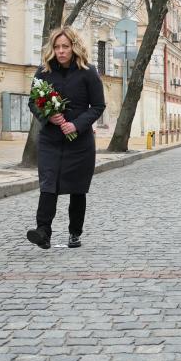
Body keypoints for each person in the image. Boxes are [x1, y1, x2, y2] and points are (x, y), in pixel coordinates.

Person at [26, 27, 105, 250]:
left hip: (79, 142)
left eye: (65, 47)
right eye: (57, 47)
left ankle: (74, 233)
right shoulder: (43, 72)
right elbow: (33, 101)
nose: (61, 51)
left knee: (77, 188)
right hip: (50, 139)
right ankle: (43, 232)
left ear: (74, 48)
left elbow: (98, 106)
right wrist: (48, 116)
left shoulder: (88, 72)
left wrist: (77, 125)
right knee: (48, 184)